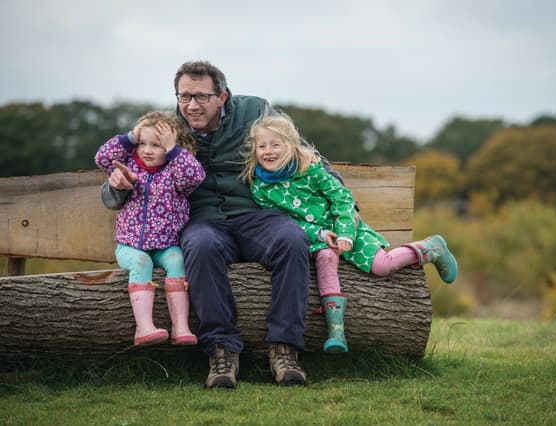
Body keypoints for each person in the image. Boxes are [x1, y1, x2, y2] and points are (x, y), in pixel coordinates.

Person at [101, 60, 346, 388]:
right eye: (184, 96)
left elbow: (301, 153)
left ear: (222, 96)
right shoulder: (167, 129)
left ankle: (285, 348)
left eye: (201, 97)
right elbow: (131, 169)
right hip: (205, 222)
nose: (191, 105)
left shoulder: (255, 112)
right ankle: (222, 351)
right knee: (198, 246)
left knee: (291, 237)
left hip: (256, 215)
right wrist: (116, 186)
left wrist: (347, 207)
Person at [241, 113, 459, 353]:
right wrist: (321, 235)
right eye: (262, 146)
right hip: (318, 239)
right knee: (326, 259)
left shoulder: (310, 171)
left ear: (290, 146)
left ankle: (429, 248)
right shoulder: (260, 188)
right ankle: (336, 332)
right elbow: (282, 222)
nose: (268, 151)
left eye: (275, 145)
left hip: (348, 229)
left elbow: (342, 199)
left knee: (381, 266)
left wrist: (345, 233)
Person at [95, 111, 205, 347]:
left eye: (156, 145)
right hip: (130, 247)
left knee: (178, 260)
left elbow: (195, 176)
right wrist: (131, 136)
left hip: (166, 247)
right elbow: (102, 158)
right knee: (141, 262)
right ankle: (143, 328)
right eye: (142, 143)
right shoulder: (130, 166)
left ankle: (181, 327)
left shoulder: (175, 173)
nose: (146, 150)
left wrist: (174, 150)